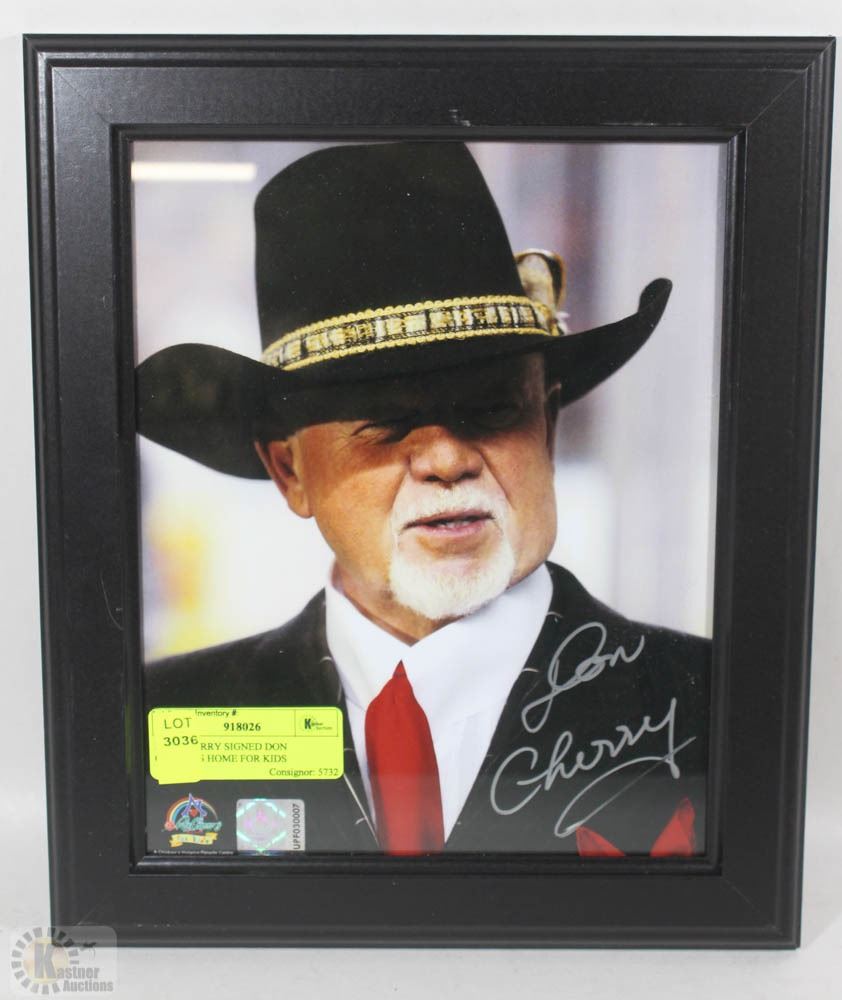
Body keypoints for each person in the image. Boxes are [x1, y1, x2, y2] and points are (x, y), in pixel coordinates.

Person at [138, 141, 709, 857]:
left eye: (492, 410)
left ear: (548, 428)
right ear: (290, 472)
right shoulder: (160, 720)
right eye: (385, 422)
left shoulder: (717, 707)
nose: (446, 459)